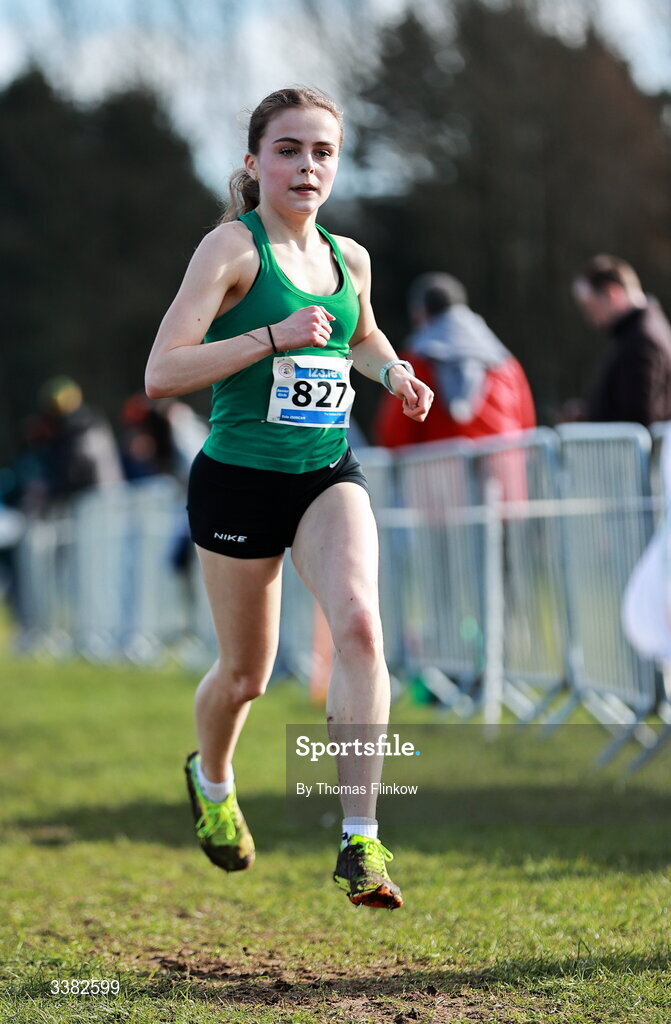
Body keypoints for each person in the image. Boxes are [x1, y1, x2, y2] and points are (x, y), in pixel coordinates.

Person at [145, 87, 433, 910]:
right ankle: (212, 777)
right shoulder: (229, 251)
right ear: (253, 162)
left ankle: (360, 839)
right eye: (288, 150)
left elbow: (361, 332)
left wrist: (392, 372)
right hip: (237, 482)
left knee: (359, 623)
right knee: (246, 675)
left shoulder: (351, 257)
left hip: (323, 474)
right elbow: (161, 372)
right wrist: (272, 335)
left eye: (322, 152)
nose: (307, 166)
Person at [374, 272, 535, 447]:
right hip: (505, 467)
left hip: (439, 470)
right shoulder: (506, 363)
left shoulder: (415, 363)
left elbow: (395, 434)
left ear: (421, 313)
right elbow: (527, 425)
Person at [572, 254, 671, 426]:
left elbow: (638, 417)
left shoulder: (642, 339)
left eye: (590, 306)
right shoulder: (639, 331)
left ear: (612, 293)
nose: (590, 318)